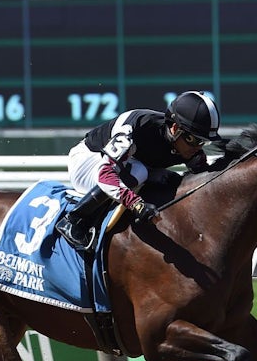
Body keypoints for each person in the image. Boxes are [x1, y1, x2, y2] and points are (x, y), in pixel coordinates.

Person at [55, 90, 224, 250]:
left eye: (203, 142)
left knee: (168, 178)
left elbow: (206, 181)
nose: (198, 148)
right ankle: (74, 219)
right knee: (139, 172)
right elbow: (105, 174)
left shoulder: (187, 145)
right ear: (174, 128)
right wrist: (136, 204)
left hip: (128, 165)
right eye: (194, 140)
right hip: (88, 162)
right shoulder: (137, 128)